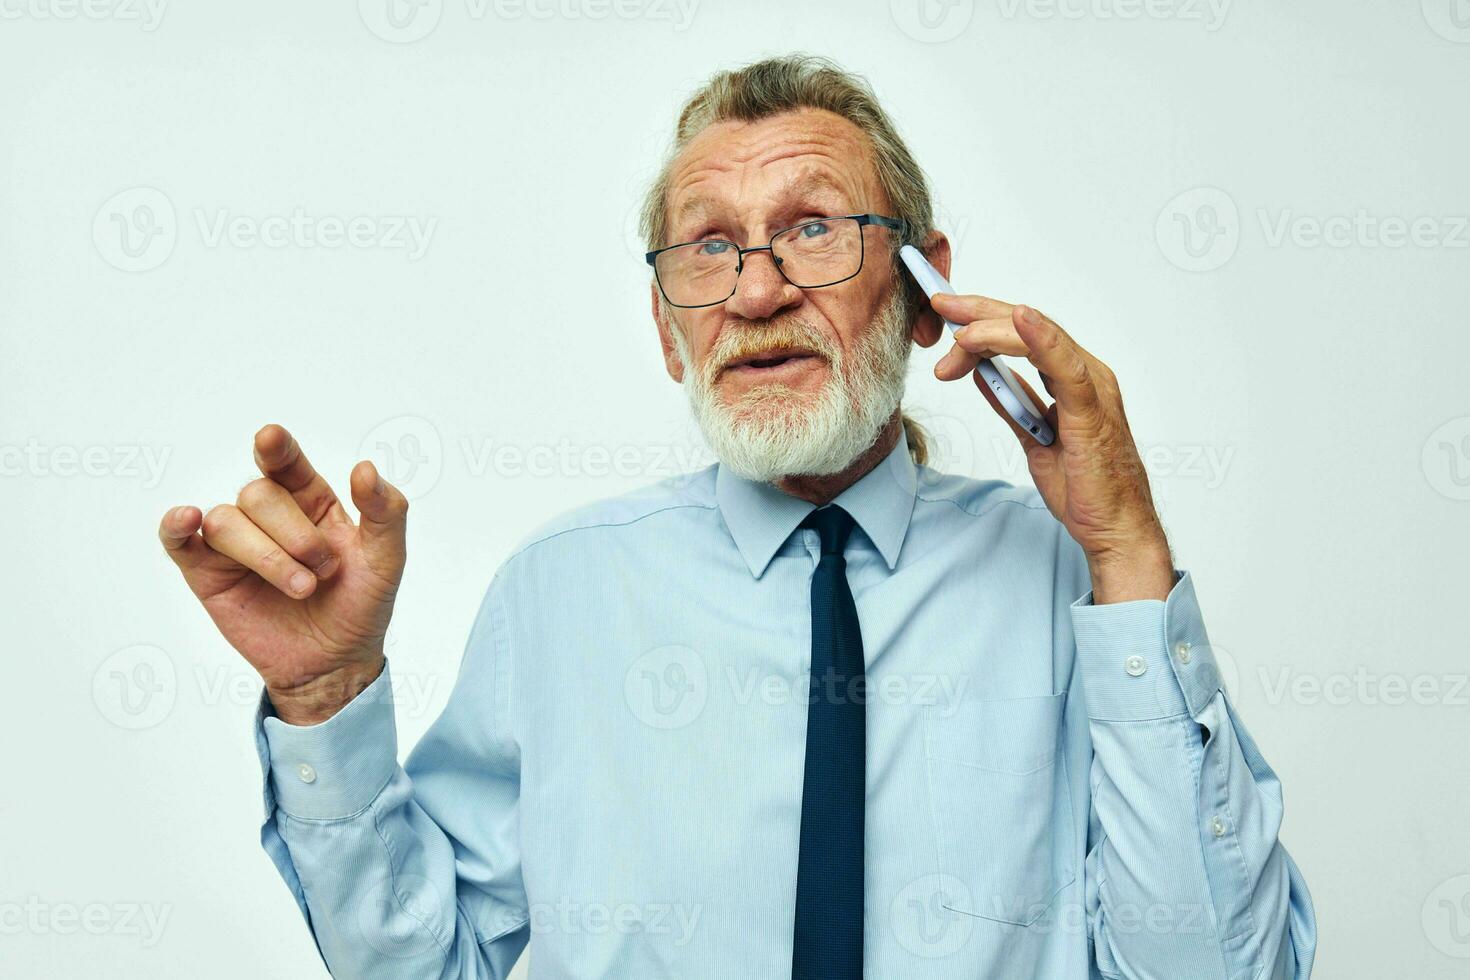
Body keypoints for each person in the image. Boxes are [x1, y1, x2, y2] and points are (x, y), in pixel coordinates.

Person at [158, 54, 1316, 979]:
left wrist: (1128, 555)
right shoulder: (561, 594)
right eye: (711, 246)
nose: (757, 292)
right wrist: (323, 702)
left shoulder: (1079, 592)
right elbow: (428, 966)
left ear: (922, 288)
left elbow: (1219, 965)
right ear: (670, 328)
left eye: (813, 226)